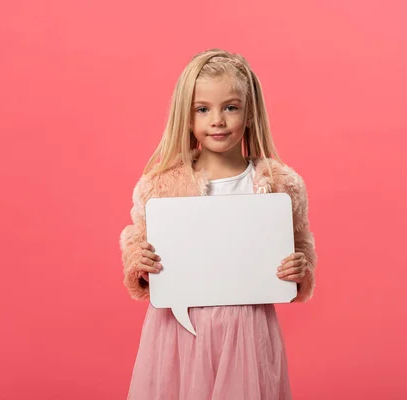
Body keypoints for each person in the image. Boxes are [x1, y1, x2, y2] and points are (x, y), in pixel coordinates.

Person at [119, 48, 317, 400]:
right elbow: (138, 245)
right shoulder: (160, 186)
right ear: (188, 115)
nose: (217, 120)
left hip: (248, 329)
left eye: (230, 107)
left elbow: (299, 252)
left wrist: (299, 269)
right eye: (203, 109)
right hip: (178, 332)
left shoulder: (279, 184)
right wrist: (141, 264)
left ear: (250, 113)